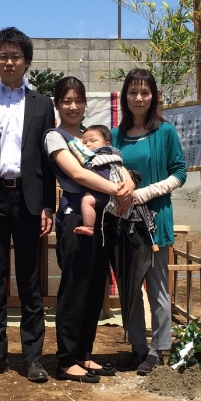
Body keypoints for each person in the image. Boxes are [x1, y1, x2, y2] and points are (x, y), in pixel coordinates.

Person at [0, 27, 56, 382]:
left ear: (27, 61)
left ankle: (32, 357)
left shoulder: (42, 104)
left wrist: (49, 205)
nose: (10, 62)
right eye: (3, 56)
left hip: (30, 201)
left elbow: (49, 160)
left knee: (31, 281)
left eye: (16, 56)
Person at [43, 78, 134, 382]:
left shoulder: (90, 138)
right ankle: (66, 358)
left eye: (78, 100)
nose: (72, 106)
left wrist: (129, 183)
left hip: (104, 220)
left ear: (84, 104)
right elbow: (78, 173)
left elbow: (121, 166)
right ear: (58, 103)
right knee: (76, 287)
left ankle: (84, 353)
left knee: (96, 289)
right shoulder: (55, 138)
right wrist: (118, 190)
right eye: (66, 100)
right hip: (75, 219)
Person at [112, 68, 186, 375]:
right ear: (125, 96)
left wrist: (144, 194)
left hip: (154, 224)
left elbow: (179, 173)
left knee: (157, 289)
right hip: (123, 223)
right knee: (129, 288)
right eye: (132, 92)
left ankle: (158, 348)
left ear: (153, 96)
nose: (138, 98)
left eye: (144, 92)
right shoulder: (115, 136)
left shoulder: (165, 132)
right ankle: (138, 349)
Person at [68, 124, 129, 237]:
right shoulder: (93, 155)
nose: (88, 144)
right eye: (84, 143)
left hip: (106, 192)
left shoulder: (105, 152)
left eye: (93, 140)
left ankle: (88, 226)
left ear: (107, 144)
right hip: (104, 192)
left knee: (87, 200)